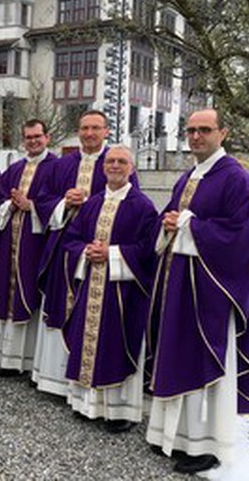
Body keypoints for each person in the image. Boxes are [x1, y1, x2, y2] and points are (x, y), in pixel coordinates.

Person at [146, 109, 249, 474]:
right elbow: (172, 219)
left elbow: (241, 237)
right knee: (177, 354)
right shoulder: (189, 176)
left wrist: (189, 225)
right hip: (179, 283)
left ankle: (208, 444)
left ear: (222, 132)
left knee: (204, 361)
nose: (195, 136)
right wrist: (168, 224)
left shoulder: (236, 179)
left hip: (211, 290)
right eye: (190, 130)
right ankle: (176, 436)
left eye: (204, 130)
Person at [33, 110, 137, 396]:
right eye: (84, 128)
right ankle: (54, 378)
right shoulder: (62, 165)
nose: (89, 133)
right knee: (58, 306)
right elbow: (42, 200)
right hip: (65, 250)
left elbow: (133, 212)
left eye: (95, 128)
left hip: (103, 258)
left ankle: (87, 381)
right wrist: (64, 203)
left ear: (106, 131)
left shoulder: (118, 163)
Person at [62, 145, 157, 433]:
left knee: (117, 343)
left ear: (132, 168)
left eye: (122, 161)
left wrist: (112, 254)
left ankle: (120, 412)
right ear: (104, 167)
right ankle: (86, 405)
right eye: (111, 161)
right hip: (91, 283)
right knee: (88, 341)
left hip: (122, 292)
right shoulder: (92, 203)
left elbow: (148, 250)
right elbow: (72, 236)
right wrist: (85, 250)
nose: (115, 165)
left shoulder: (143, 206)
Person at [0, 119, 56, 377]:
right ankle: (10, 361)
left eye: (37, 136)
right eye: (28, 137)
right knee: (8, 296)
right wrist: (10, 205)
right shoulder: (14, 169)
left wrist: (33, 207)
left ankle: (31, 363)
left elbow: (59, 203)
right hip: (9, 246)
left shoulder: (57, 168)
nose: (33, 141)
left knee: (33, 295)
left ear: (47, 138)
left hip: (37, 246)